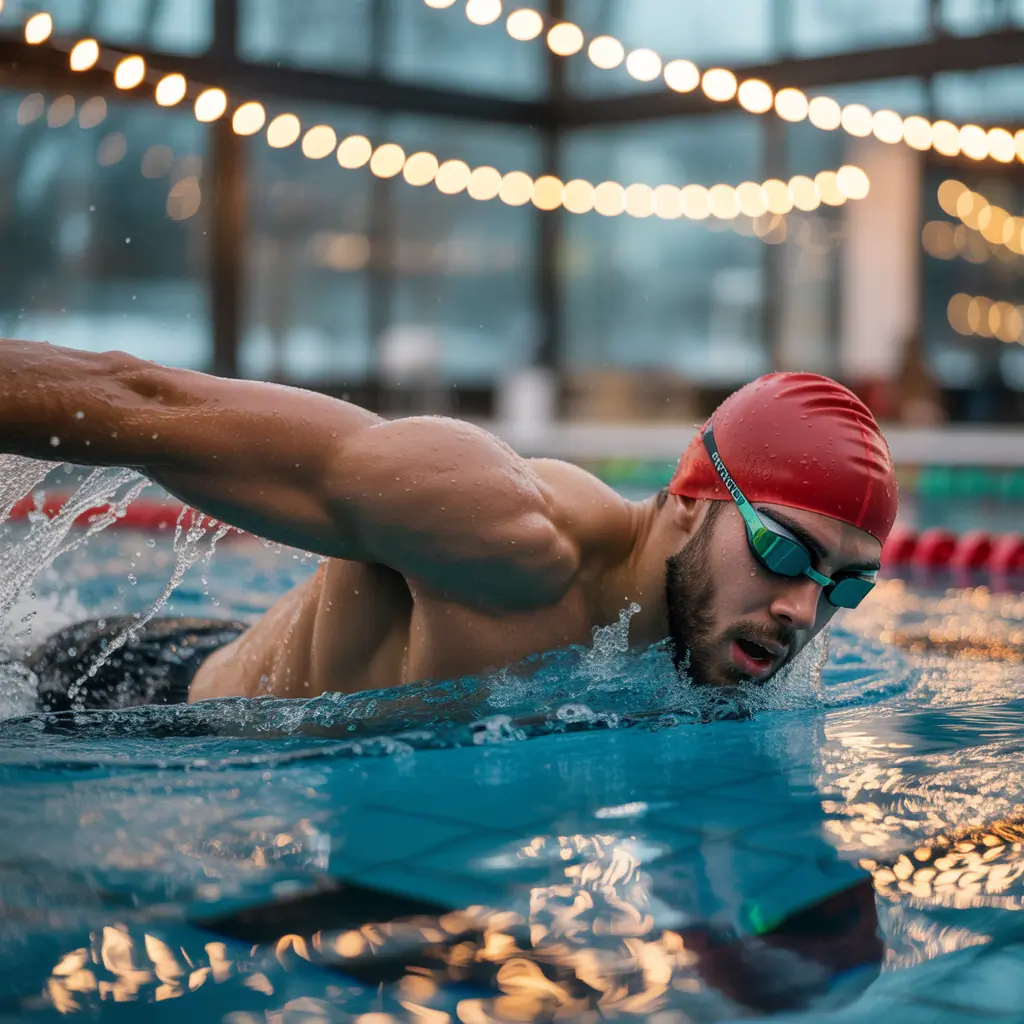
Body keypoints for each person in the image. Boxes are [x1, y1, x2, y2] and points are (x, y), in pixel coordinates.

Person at [0, 340, 897, 711]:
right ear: (693, 498)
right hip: (135, 697)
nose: (801, 611)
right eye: (784, 550)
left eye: (843, 586)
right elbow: (138, 400)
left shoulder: (725, 653)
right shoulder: (502, 530)